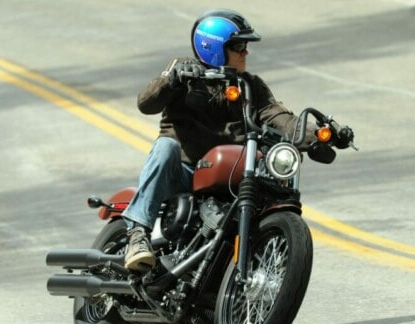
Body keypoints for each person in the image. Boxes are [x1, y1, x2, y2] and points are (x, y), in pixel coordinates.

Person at [123, 8, 331, 271]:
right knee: (166, 147)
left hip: (230, 176)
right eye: (239, 46)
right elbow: (146, 103)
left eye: (245, 46)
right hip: (184, 173)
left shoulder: (251, 86)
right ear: (215, 48)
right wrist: (172, 81)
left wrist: (320, 134)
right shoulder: (184, 72)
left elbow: (280, 117)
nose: (246, 52)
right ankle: (137, 235)